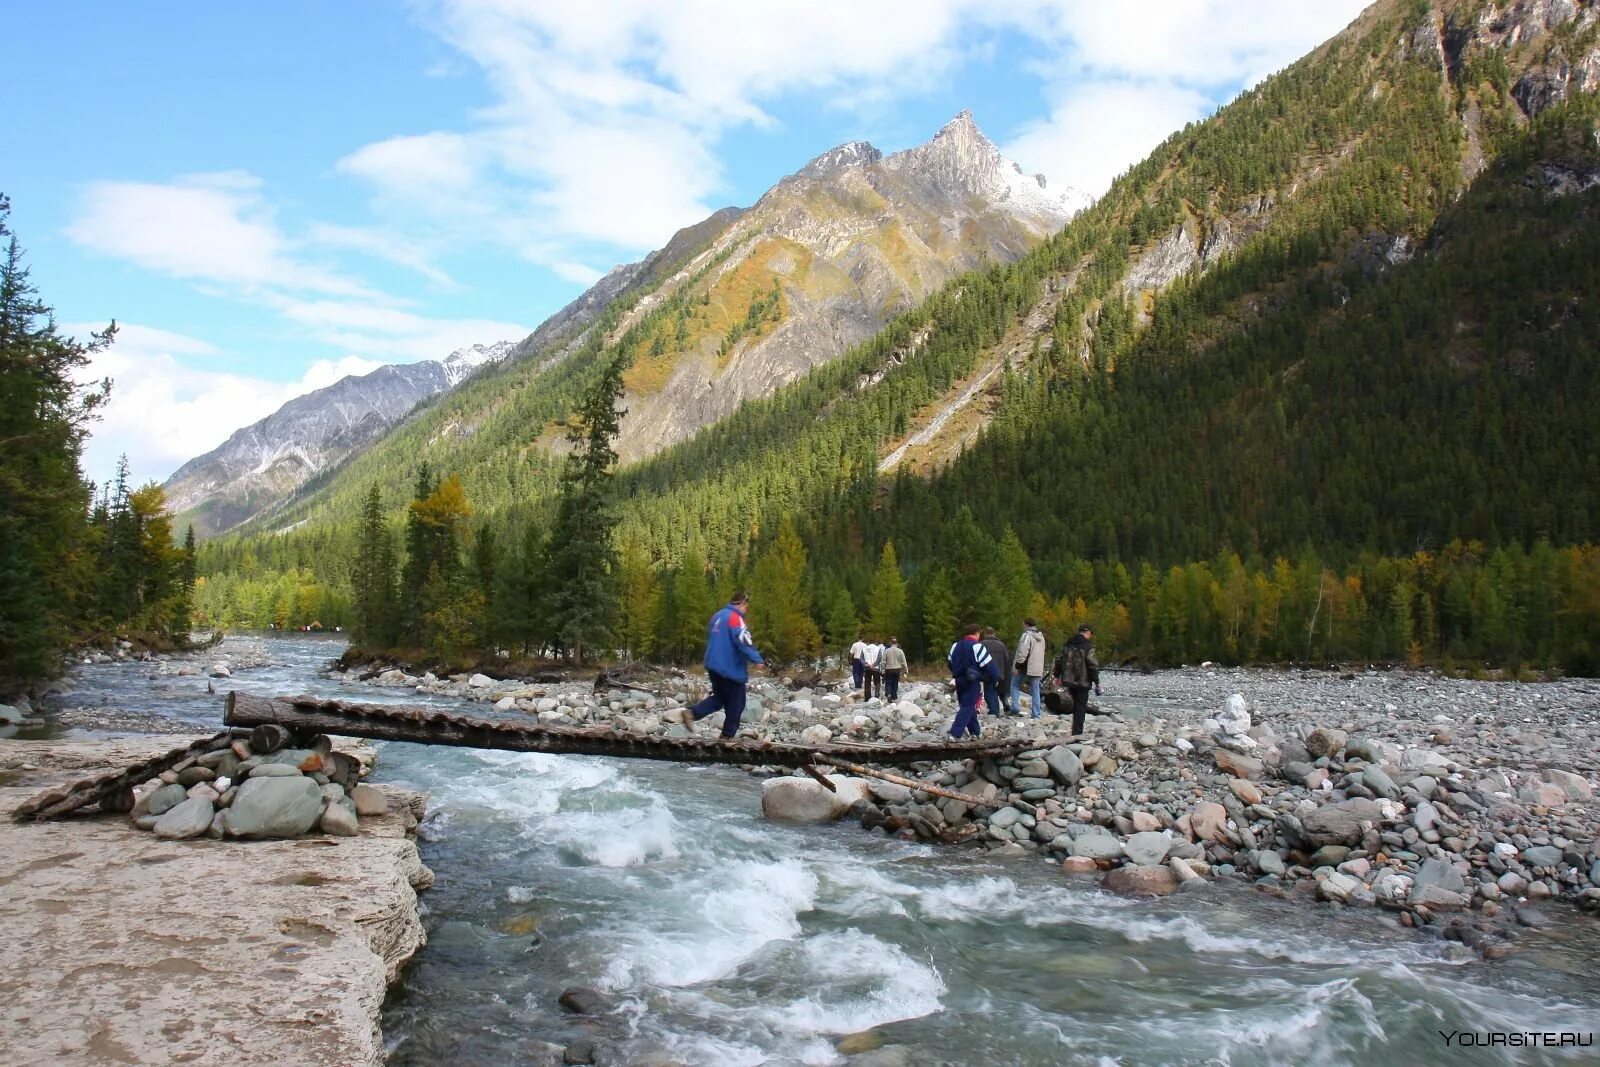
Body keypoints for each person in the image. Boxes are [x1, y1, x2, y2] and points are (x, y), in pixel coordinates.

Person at [685, 592, 766, 739]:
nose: (746, 610)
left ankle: (691, 713)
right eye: (746, 606)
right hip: (729, 668)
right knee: (737, 703)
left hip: (713, 666)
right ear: (742, 603)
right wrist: (757, 659)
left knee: (719, 698)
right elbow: (743, 640)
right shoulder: (735, 618)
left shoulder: (717, 616)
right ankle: (727, 738)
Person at [947, 622, 999, 739]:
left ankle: (975, 732)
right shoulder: (977, 646)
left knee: (966, 705)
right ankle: (954, 733)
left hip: (959, 680)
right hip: (972, 681)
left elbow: (949, 662)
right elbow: (989, 665)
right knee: (968, 706)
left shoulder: (955, 645)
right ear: (977, 633)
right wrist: (994, 678)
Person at [1052, 624, 1101, 737]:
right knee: (1080, 706)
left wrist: (1056, 675)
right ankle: (1077, 732)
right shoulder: (1088, 646)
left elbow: (1059, 660)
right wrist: (1097, 682)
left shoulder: (1068, 644)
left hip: (1068, 680)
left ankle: (1075, 730)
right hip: (1083, 681)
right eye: (1090, 634)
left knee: (1075, 704)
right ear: (1088, 633)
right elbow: (1092, 665)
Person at [1010, 618, 1047, 719]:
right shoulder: (1041, 636)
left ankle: (1015, 708)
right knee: (1035, 689)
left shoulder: (1027, 635)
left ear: (1026, 625)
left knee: (1015, 684)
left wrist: (1018, 665)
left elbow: (1023, 651)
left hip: (1025, 666)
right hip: (1037, 666)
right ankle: (1036, 713)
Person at [981, 627, 1012, 716]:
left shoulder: (982, 644)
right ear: (994, 634)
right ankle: (1002, 706)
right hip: (1000, 672)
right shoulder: (1001, 645)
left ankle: (994, 711)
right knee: (998, 691)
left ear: (985, 634)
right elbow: (1007, 660)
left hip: (987, 672)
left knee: (989, 692)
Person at [879, 637, 907, 701]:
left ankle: (889, 694)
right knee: (895, 683)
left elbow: (883, 662)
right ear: (897, 643)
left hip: (888, 669)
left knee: (888, 682)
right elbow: (904, 662)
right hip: (897, 669)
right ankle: (894, 697)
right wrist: (906, 670)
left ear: (890, 643)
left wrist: (882, 670)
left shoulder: (886, 651)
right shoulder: (900, 651)